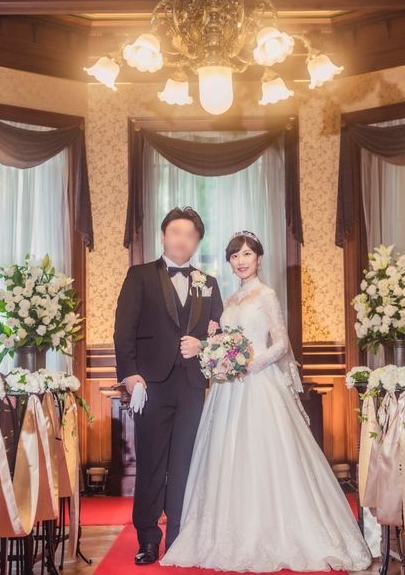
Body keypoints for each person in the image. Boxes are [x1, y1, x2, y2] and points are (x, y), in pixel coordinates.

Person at [160, 231, 373, 572]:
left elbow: (281, 345)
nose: (241, 261)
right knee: (227, 456)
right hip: (228, 388)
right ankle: (228, 533)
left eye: (247, 254)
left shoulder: (267, 295)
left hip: (258, 384)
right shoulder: (230, 299)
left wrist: (247, 364)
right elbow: (224, 340)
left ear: (259, 258)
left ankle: (280, 532)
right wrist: (218, 352)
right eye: (235, 255)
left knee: (265, 454)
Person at [113, 207, 223, 565]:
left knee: (184, 465)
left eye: (190, 234)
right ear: (163, 236)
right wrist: (130, 374)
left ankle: (178, 537)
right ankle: (147, 538)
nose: (182, 240)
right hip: (150, 384)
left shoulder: (208, 282)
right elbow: (123, 329)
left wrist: (203, 345)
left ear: (197, 241)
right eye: (176, 232)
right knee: (150, 463)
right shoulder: (140, 275)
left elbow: (221, 336)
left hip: (192, 385)